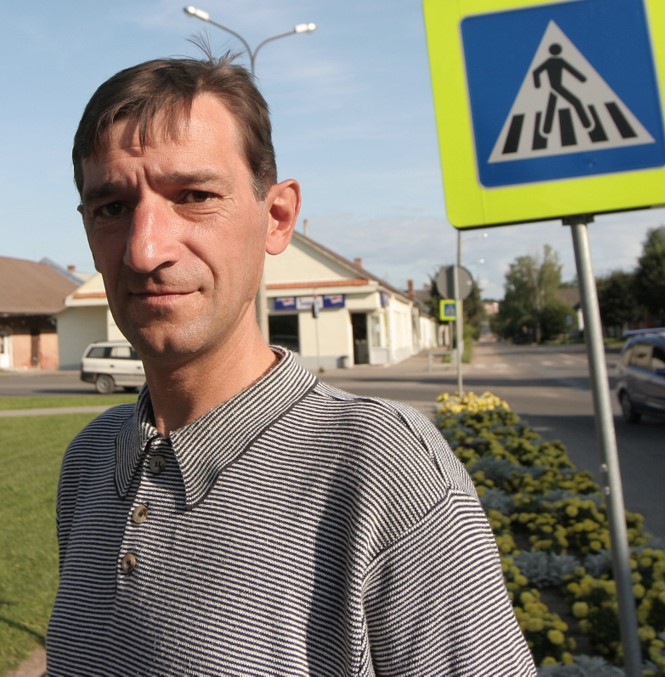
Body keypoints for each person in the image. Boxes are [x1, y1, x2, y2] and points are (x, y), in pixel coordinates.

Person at [46, 54, 536, 675]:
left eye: (194, 196)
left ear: (277, 218)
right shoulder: (90, 462)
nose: (145, 251)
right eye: (112, 207)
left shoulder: (381, 468)